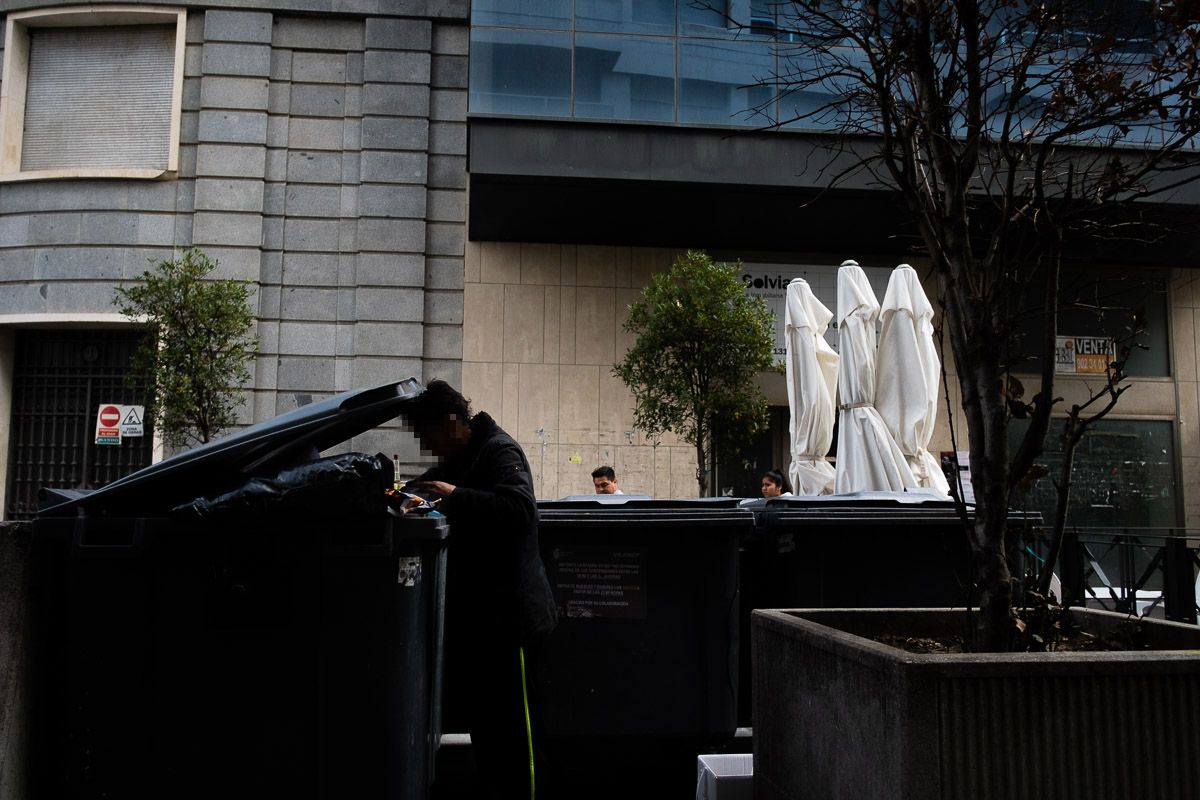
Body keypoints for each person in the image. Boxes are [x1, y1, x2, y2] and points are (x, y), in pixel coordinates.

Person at [403, 380, 558, 799]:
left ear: (452, 423)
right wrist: (410, 492)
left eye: (428, 435)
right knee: (490, 733)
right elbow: (435, 484)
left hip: (514, 622)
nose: (427, 446)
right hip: (484, 623)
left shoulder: (499, 451)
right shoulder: (461, 458)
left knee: (519, 738)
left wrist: (454, 495)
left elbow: (519, 509)